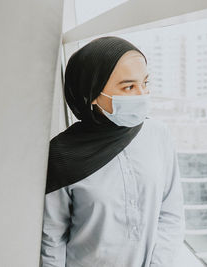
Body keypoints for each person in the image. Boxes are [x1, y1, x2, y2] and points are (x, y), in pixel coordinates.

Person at [40, 36, 185, 267]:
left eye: (145, 83)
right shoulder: (61, 155)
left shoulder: (159, 135)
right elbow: (52, 239)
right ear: (93, 93)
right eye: (129, 86)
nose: (142, 94)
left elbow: (171, 213)